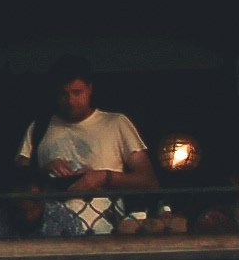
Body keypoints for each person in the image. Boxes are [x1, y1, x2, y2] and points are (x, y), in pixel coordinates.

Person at [30, 70, 154, 235]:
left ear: (90, 89)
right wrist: (45, 171)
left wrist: (103, 177)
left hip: (105, 233)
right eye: (63, 94)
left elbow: (148, 181)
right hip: (50, 234)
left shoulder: (116, 123)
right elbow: (18, 181)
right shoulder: (39, 127)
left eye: (77, 93)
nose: (71, 101)